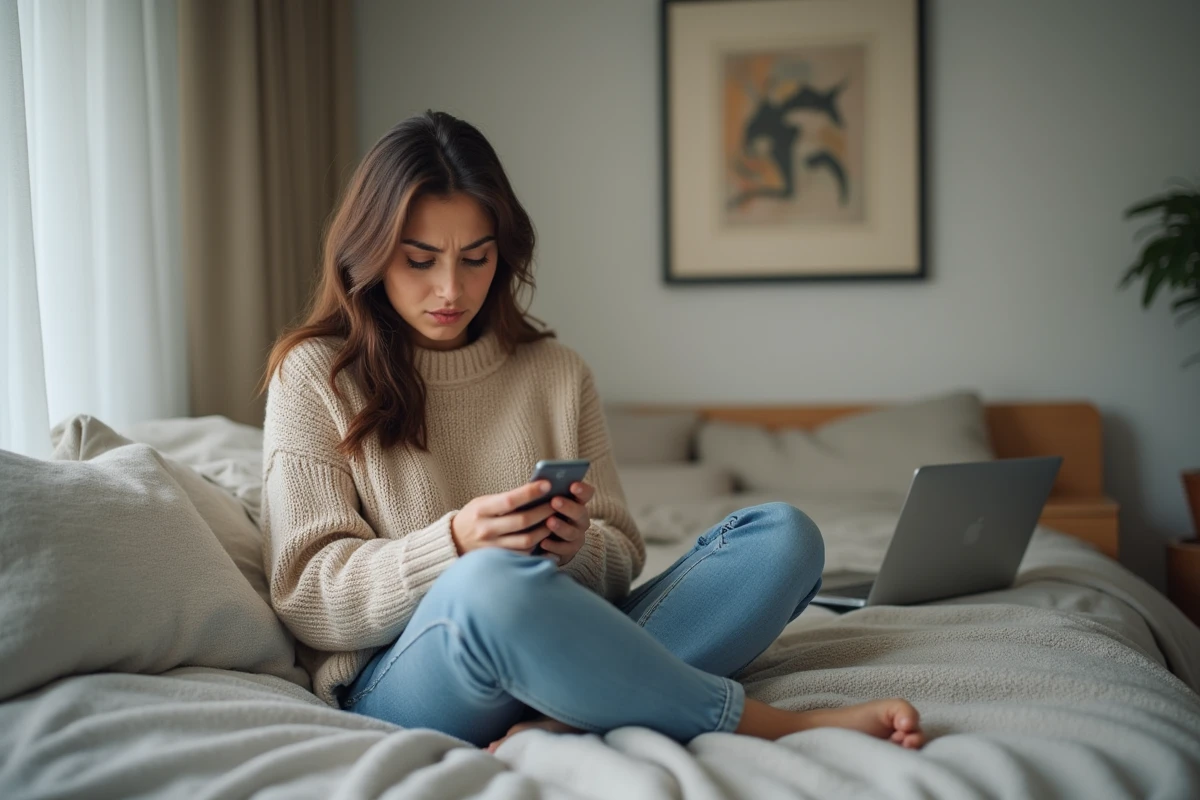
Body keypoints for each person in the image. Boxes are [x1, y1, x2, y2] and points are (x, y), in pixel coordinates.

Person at [260, 110, 925, 754]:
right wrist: (456, 544)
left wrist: (578, 546)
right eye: (420, 260)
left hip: (565, 635)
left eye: (476, 258)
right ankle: (768, 725)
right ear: (370, 254)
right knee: (486, 583)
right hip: (415, 678)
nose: (450, 288)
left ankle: (574, 713)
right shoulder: (315, 374)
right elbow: (307, 592)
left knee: (784, 539)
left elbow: (621, 555)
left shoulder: (557, 372)